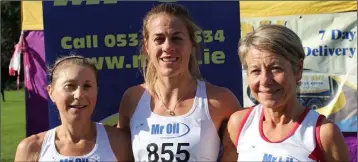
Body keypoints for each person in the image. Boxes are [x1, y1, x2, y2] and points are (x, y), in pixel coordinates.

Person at [117, 3, 242, 162]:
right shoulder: (132, 99)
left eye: (176, 38)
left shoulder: (220, 101)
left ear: (191, 44)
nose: (168, 46)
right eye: (159, 39)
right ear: (147, 46)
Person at [221, 24, 349, 161]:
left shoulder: (324, 134)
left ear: (298, 70)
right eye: (255, 71)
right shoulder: (239, 124)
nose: (265, 80)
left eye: (275, 68)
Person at [14, 55, 133, 161]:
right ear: (51, 92)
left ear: (96, 91)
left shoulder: (119, 142)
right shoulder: (31, 148)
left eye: (87, 86)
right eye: (70, 86)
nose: (79, 94)